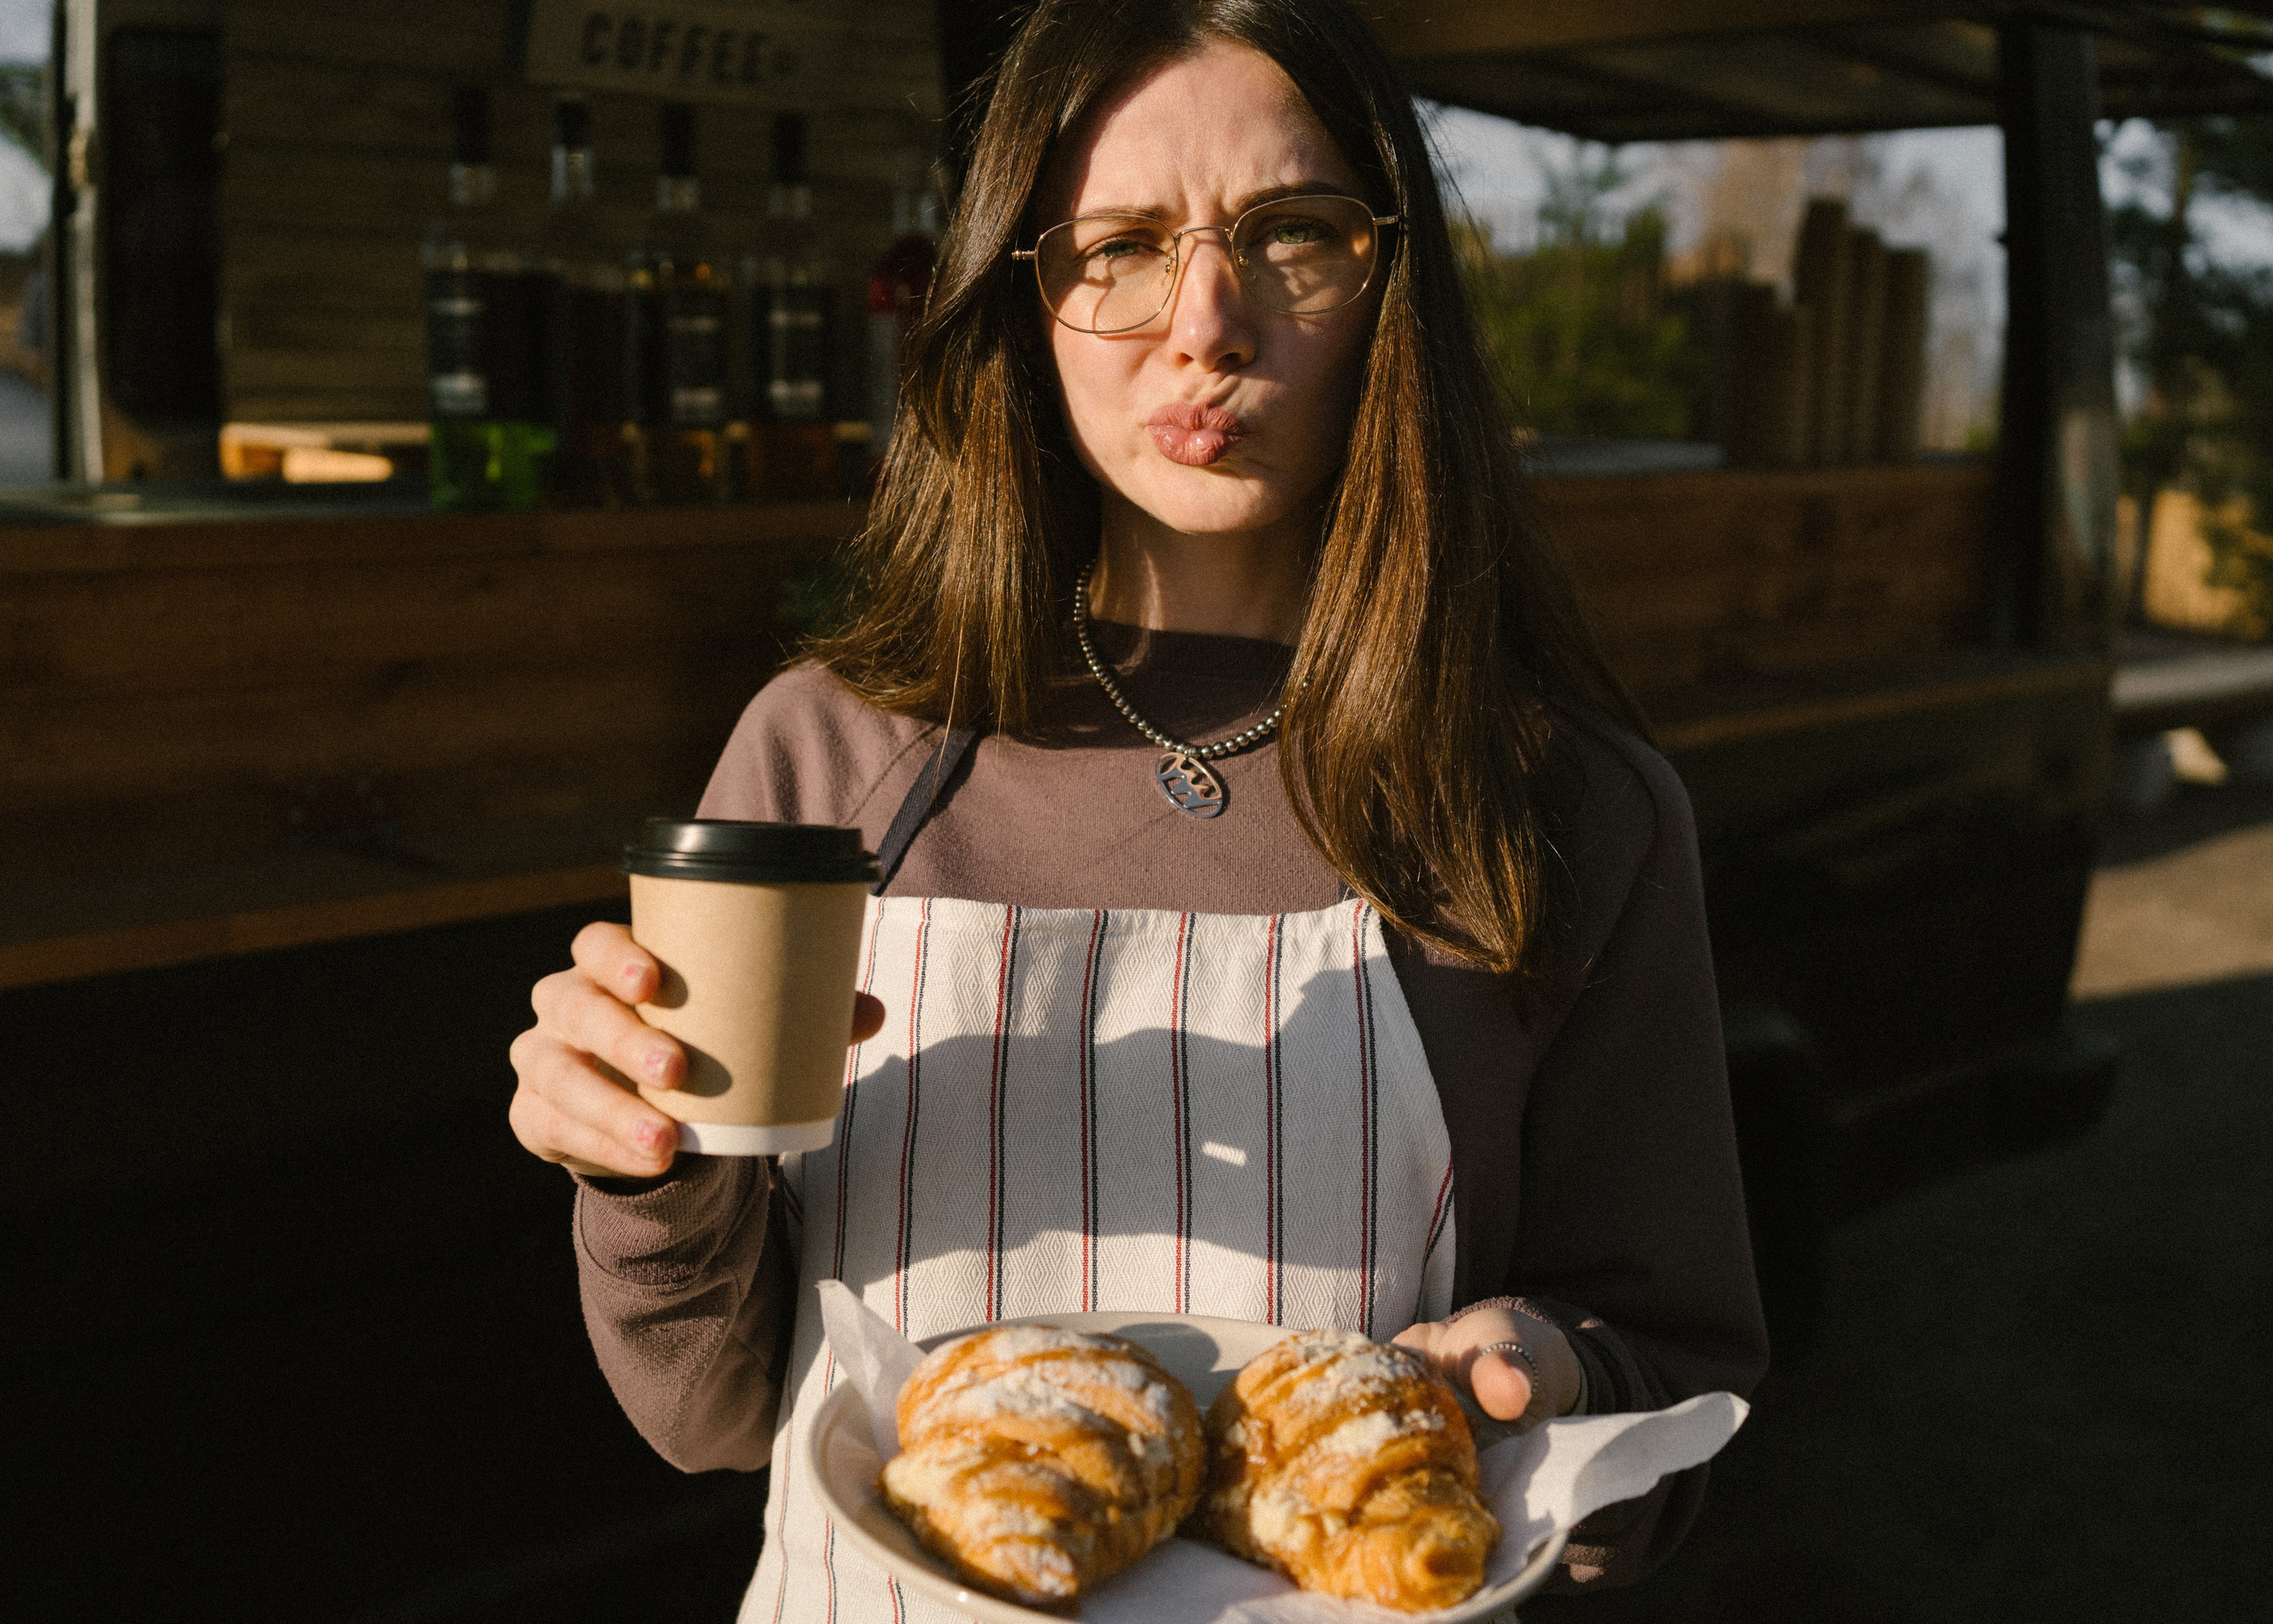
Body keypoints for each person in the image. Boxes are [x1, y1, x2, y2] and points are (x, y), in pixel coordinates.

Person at [507, 0, 1769, 1612]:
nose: (1206, 321)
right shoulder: (829, 763)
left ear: (1396, 284)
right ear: (1021, 296)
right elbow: (711, 1413)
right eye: (1116, 244)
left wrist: (1551, 1377)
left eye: (1293, 232)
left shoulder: (1564, 807)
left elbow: (1676, 1382)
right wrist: (642, 1167)